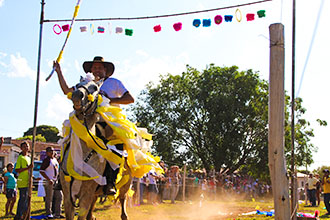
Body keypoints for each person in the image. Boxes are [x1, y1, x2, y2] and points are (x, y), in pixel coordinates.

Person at [53, 56, 134, 195]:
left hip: (107, 119)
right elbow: (67, 91)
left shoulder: (114, 82)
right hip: (85, 118)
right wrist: (59, 72)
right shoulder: (85, 83)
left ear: (105, 70)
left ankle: (110, 181)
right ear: (90, 70)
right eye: (94, 67)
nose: (97, 70)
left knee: (116, 144)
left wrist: (108, 99)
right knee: (67, 137)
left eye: (100, 67)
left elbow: (130, 99)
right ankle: (62, 176)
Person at [14, 141, 33, 220]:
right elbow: (17, 169)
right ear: (21, 148)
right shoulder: (20, 158)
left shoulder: (29, 158)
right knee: (22, 198)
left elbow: (30, 170)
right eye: (24, 147)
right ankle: (18, 215)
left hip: (28, 181)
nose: (26, 148)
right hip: (22, 181)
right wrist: (27, 168)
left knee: (26, 200)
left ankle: (25, 215)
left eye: (27, 146)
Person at [39, 147, 59, 219]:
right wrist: (48, 179)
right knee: (49, 198)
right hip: (48, 181)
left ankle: (57, 213)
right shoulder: (46, 160)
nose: (52, 152)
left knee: (59, 196)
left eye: (53, 151)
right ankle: (48, 213)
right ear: (47, 152)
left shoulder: (54, 160)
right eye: (50, 151)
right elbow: (41, 170)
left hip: (55, 180)